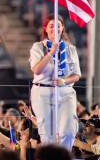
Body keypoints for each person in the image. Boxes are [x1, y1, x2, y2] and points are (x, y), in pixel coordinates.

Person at [29, 14, 81, 151]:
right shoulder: (38, 47)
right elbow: (37, 70)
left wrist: (64, 81)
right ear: (45, 29)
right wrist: (51, 52)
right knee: (48, 136)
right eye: (51, 26)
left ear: (62, 28)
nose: (54, 29)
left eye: (58, 26)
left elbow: (76, 75)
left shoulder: (71, 49)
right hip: (43, 91)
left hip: (65, 92)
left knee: (68, 132)